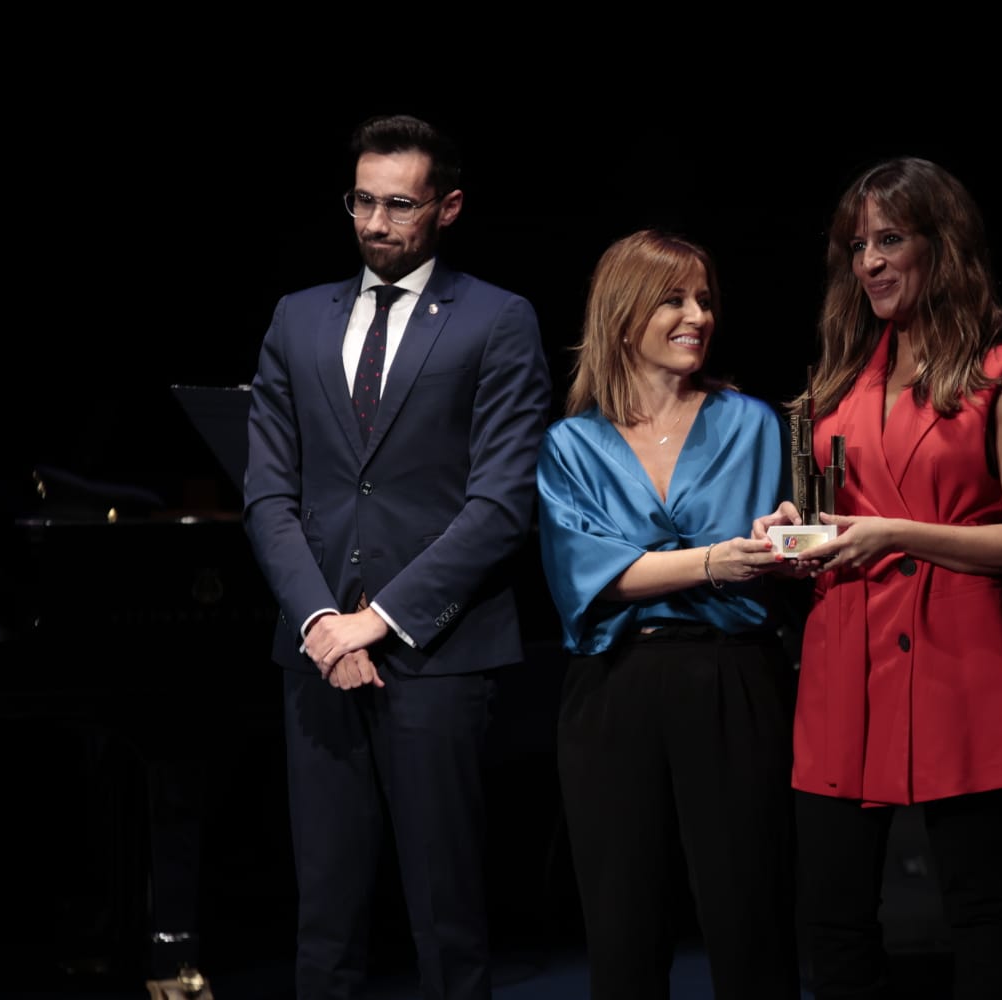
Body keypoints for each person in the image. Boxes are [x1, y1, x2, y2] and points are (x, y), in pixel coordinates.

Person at [242, 113, 551, 1000]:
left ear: (447, 207)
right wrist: (321, 622)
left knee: (447, 921)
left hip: (435, 653)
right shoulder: (298, 318)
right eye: (362, 201)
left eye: (400, 205)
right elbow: (268, 494)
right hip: (317, 655)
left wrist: (375, 623)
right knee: (324, 921)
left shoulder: (497, 319)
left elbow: (500, 505)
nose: (376, 223)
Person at [753, 157, 1002, 999]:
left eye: (889, 240)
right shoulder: (836, 387)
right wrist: (792, 530)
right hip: (845, 654)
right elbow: (836, 518)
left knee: (980, 908)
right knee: (835, 919)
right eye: (858, 246)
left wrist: (896, 534)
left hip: (959, 654)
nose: (870, 263)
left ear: (940, 244)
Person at [536, 230, 800, 1000]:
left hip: (732, 677)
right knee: (624, 933)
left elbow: (785, 544)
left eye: (705, 300)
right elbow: (591, 576)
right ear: (623, 317)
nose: (698, 316)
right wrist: (716, 561)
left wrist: (786, 534)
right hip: (615, 687)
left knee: (751, 922)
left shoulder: (752, 422)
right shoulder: (572, 444)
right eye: (674, 300)